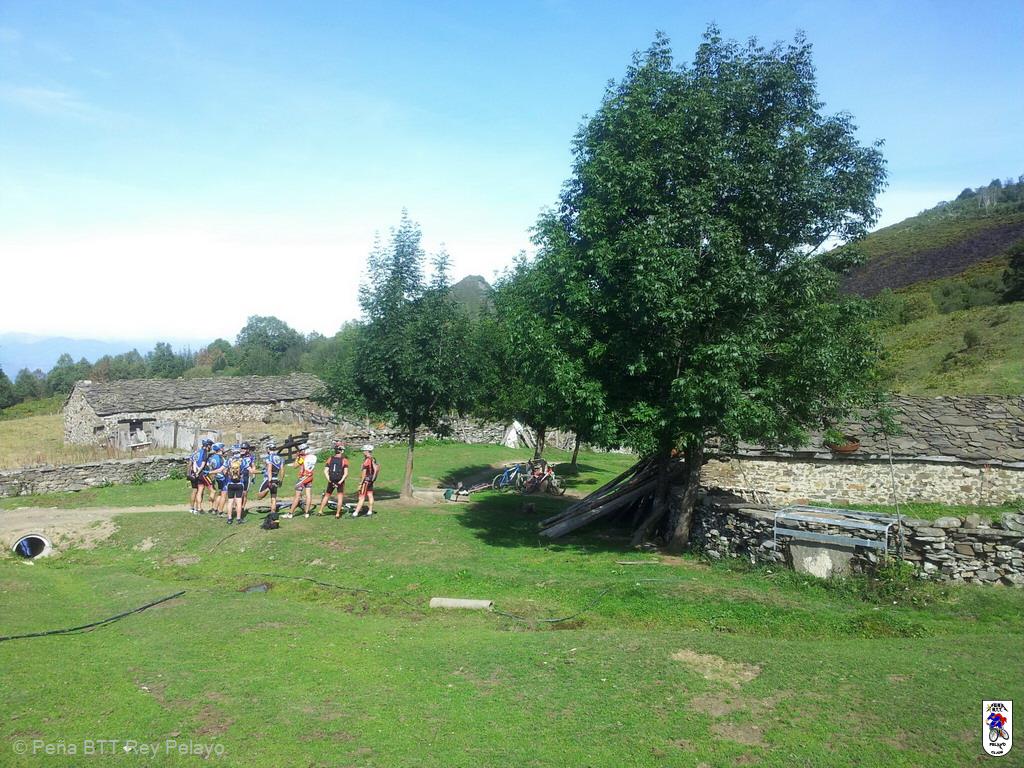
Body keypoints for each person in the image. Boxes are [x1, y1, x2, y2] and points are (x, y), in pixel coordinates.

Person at [285, 443, 317, 519]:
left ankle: (290, 513)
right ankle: (307, 513)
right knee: (308, 495)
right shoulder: (312, 457)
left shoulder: (302, 458)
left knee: (297, 496)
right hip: (310, 476)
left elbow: (295, 466)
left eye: (301, 450)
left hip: (302, 478)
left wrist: (297, 457)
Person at [318, 442, 349, 518]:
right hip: (340, 480)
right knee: (340, 497)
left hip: (331, 479)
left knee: (327, 495)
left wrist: (329, 479)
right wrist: (340, 482)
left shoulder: (330, 459)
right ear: (341, 451)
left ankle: (320, 511)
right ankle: (337, 514)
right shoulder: (344, 460)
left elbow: (325, 471)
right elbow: (346, 473)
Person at [352, 444, 379, 518]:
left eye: (364, 451)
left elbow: (364, 473)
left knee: (361, 497)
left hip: (366, 481)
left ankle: (355, 513)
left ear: (367, 451)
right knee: (370, 495)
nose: (363, 452)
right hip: (371, 480)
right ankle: (370, 511)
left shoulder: (367, 460)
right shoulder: (373, 459)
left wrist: (361, 483)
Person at [187, 438, 214, 514]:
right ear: (208, 445)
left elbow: (190, 463)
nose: (211, 447)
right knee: (200, 491)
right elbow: (203, 463)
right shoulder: (204, 452)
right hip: (199, 473)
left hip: (192, 473)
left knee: (194, 490)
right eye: (210, 445)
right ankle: (198, 508)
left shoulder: (195, 452)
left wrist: (188, 474)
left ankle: (192, 508)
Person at [256, 442, 285, 512]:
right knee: (273, 498)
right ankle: (273, 513)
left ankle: (267, 489)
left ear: (268, 449)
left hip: (268, 479)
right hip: (276, 479)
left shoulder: (269, 458)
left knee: (259, 496)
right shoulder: (280, 458)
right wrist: (281, 480)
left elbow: (269, 469)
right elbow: (282, 470)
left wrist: (269, 481)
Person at [223, 448, 247, 524]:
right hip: (239, 483)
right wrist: (261, 471)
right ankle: (238, 519)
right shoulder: (243, 461)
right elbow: (251, 470)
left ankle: (229, 519)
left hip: (230, 483)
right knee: (239, 501)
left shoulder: (228, 460)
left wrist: (210, 472)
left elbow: (222, 470)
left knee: (230, 501)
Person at [205, 442, 227, 515]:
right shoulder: (220, 458)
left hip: (216, 477)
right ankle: (220, 511)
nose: (223, 449)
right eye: (222, 447)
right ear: (220, 449)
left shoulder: (212, 457)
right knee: (223, 495)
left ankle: (214, 509)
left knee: (220, 493)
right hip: (222, 478)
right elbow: (223, 470)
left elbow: (209, 466)